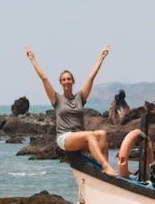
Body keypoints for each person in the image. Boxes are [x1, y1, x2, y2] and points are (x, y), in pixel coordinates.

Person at [26, 45, 117, 176]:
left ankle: (104, 169)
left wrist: (101, 58)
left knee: (102, 133)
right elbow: (44, 78)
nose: (66, 81)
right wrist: (32, 59)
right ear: (61, 83)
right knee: (90, 135)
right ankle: (106, 167)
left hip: (79, 137)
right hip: (65, 138)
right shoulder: (56, 99)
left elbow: (91, 77)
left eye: (69, 79)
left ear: (73, 81)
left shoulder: (80, 97)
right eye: (64, 80)